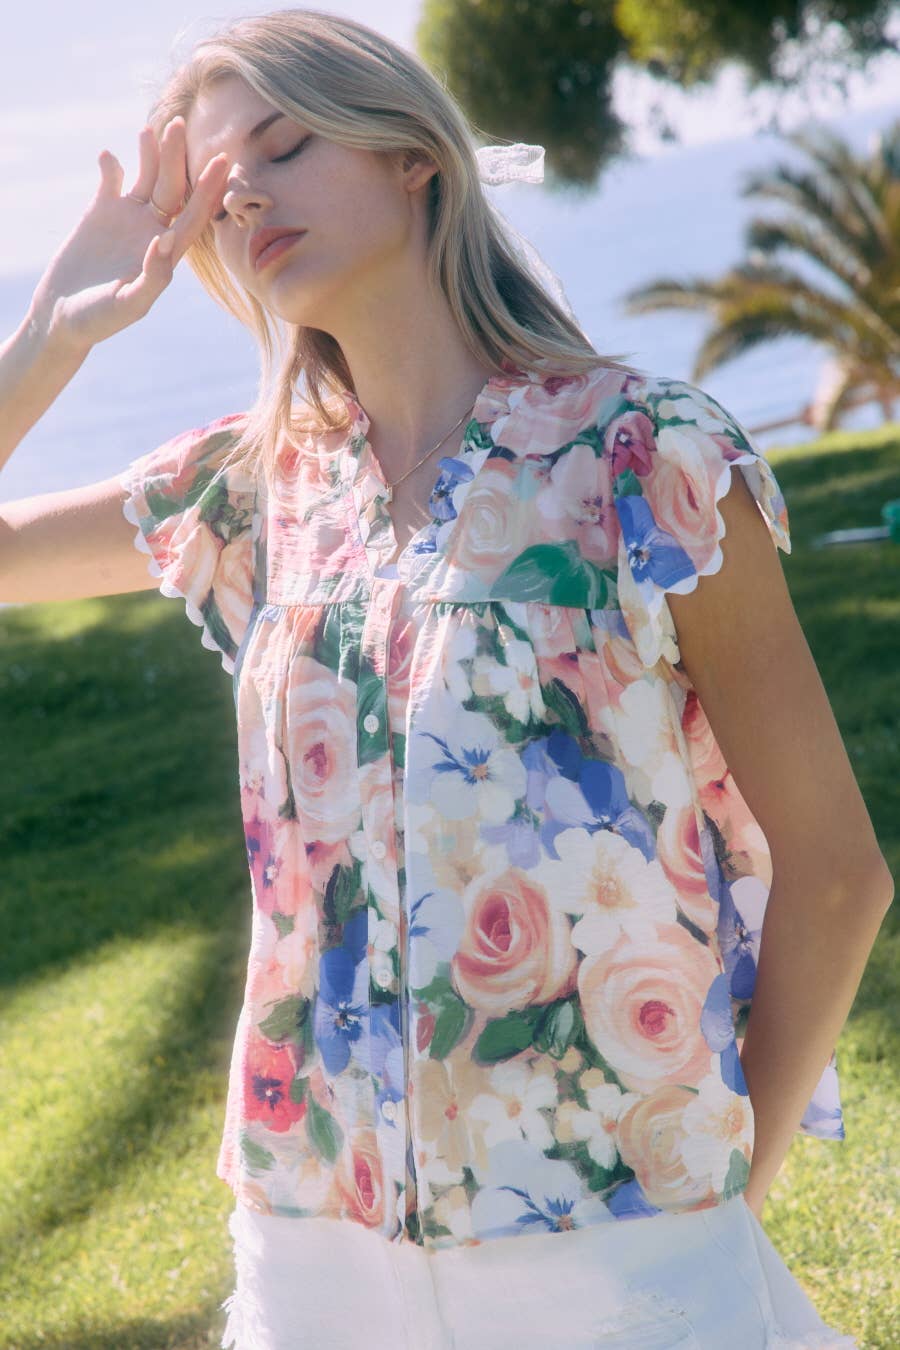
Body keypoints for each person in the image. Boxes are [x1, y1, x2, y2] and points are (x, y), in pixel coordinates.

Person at [0, 9, 891, 1348]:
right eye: (217, 193)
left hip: (616, 1235)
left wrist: (719, 1204)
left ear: (412, 155)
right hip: (315, 1242)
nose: (245, 200)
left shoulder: (640, 455)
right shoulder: (254, 487)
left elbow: (836, 869)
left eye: (284, 147)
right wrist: (58, 323)